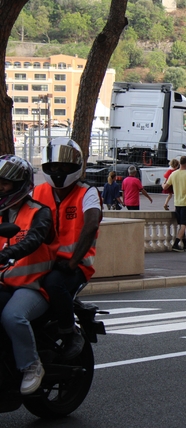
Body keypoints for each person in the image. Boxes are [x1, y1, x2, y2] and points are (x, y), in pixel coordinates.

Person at [33, 138, 102, 360]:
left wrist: (73, 262)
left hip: (76, 265)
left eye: (63, 166)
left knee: (54, 284)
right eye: (53, 166)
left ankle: (70, 332)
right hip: (42, 261)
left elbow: (91, 225)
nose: (58, 170)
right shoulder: (38, 192)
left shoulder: (87, 192)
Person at [0, 155, 56, 395]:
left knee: (13, 316)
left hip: (32, 285)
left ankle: (31, 365)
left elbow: (34, 239)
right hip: (5, 281)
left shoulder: (39, 212)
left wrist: (8, 253)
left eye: (5, 183)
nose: (0, 187)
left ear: (19, 185)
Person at [163, 156, 186, 252]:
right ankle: (176, 244)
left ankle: (185, 243)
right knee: (184, 224)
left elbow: (165, 186)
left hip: (177, 202)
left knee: (181, 223)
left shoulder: (173, 174)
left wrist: (161, 183)